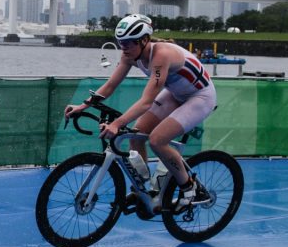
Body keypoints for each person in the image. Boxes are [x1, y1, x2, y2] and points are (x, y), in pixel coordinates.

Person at [65, 13, 215, 210]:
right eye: (120, 42)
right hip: (176, 93)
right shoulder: (128, 54)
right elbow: (110, 85)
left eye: (128, 42)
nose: (123, 47)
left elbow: (146, 102)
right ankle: (141, 190)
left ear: (144, 40)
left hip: (200, 97)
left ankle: (189, 187)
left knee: (157, 140)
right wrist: (83, 105)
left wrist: (117, 124)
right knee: (136, 136)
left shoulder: (161, 55)